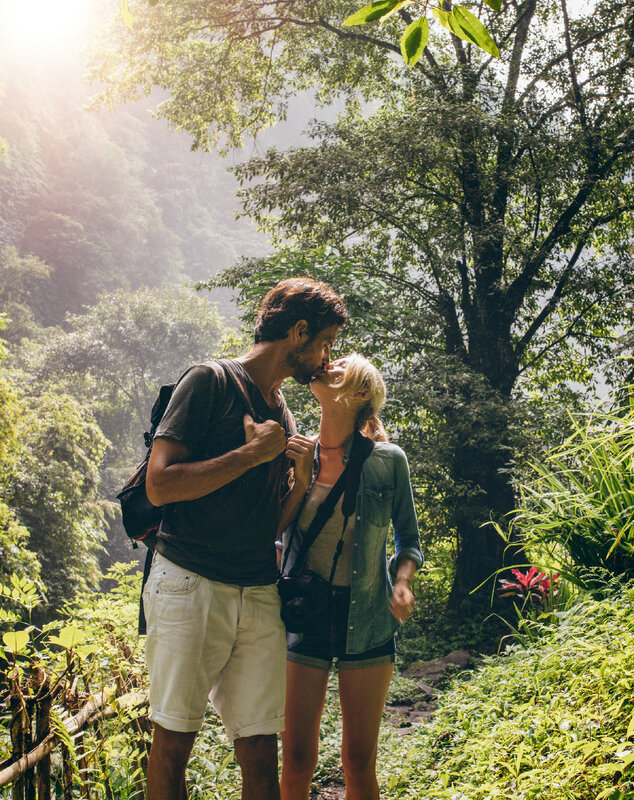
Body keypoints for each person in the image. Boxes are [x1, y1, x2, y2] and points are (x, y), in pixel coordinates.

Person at [142, 278, 346, 800]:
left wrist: (299, 483)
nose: (327, 359)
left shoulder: (282, 411)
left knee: (260, 751)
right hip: (189, 581)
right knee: (173, 744)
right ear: (298, 332)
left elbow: (268, 526)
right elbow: (160, 485)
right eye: (324, 343)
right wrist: (251, 455)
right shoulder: (209, 381)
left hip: (257, 590)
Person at [279, 354, 424, 800]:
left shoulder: (388, 461)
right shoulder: (295, 452)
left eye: (341, 363)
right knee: (298, 758)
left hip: (369, 618)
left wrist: (402, 581)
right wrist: (299, 480)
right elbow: (274, 532)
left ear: (361, 393)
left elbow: (409, 540)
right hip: (305, 617)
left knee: (358, 760)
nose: (327, 363)